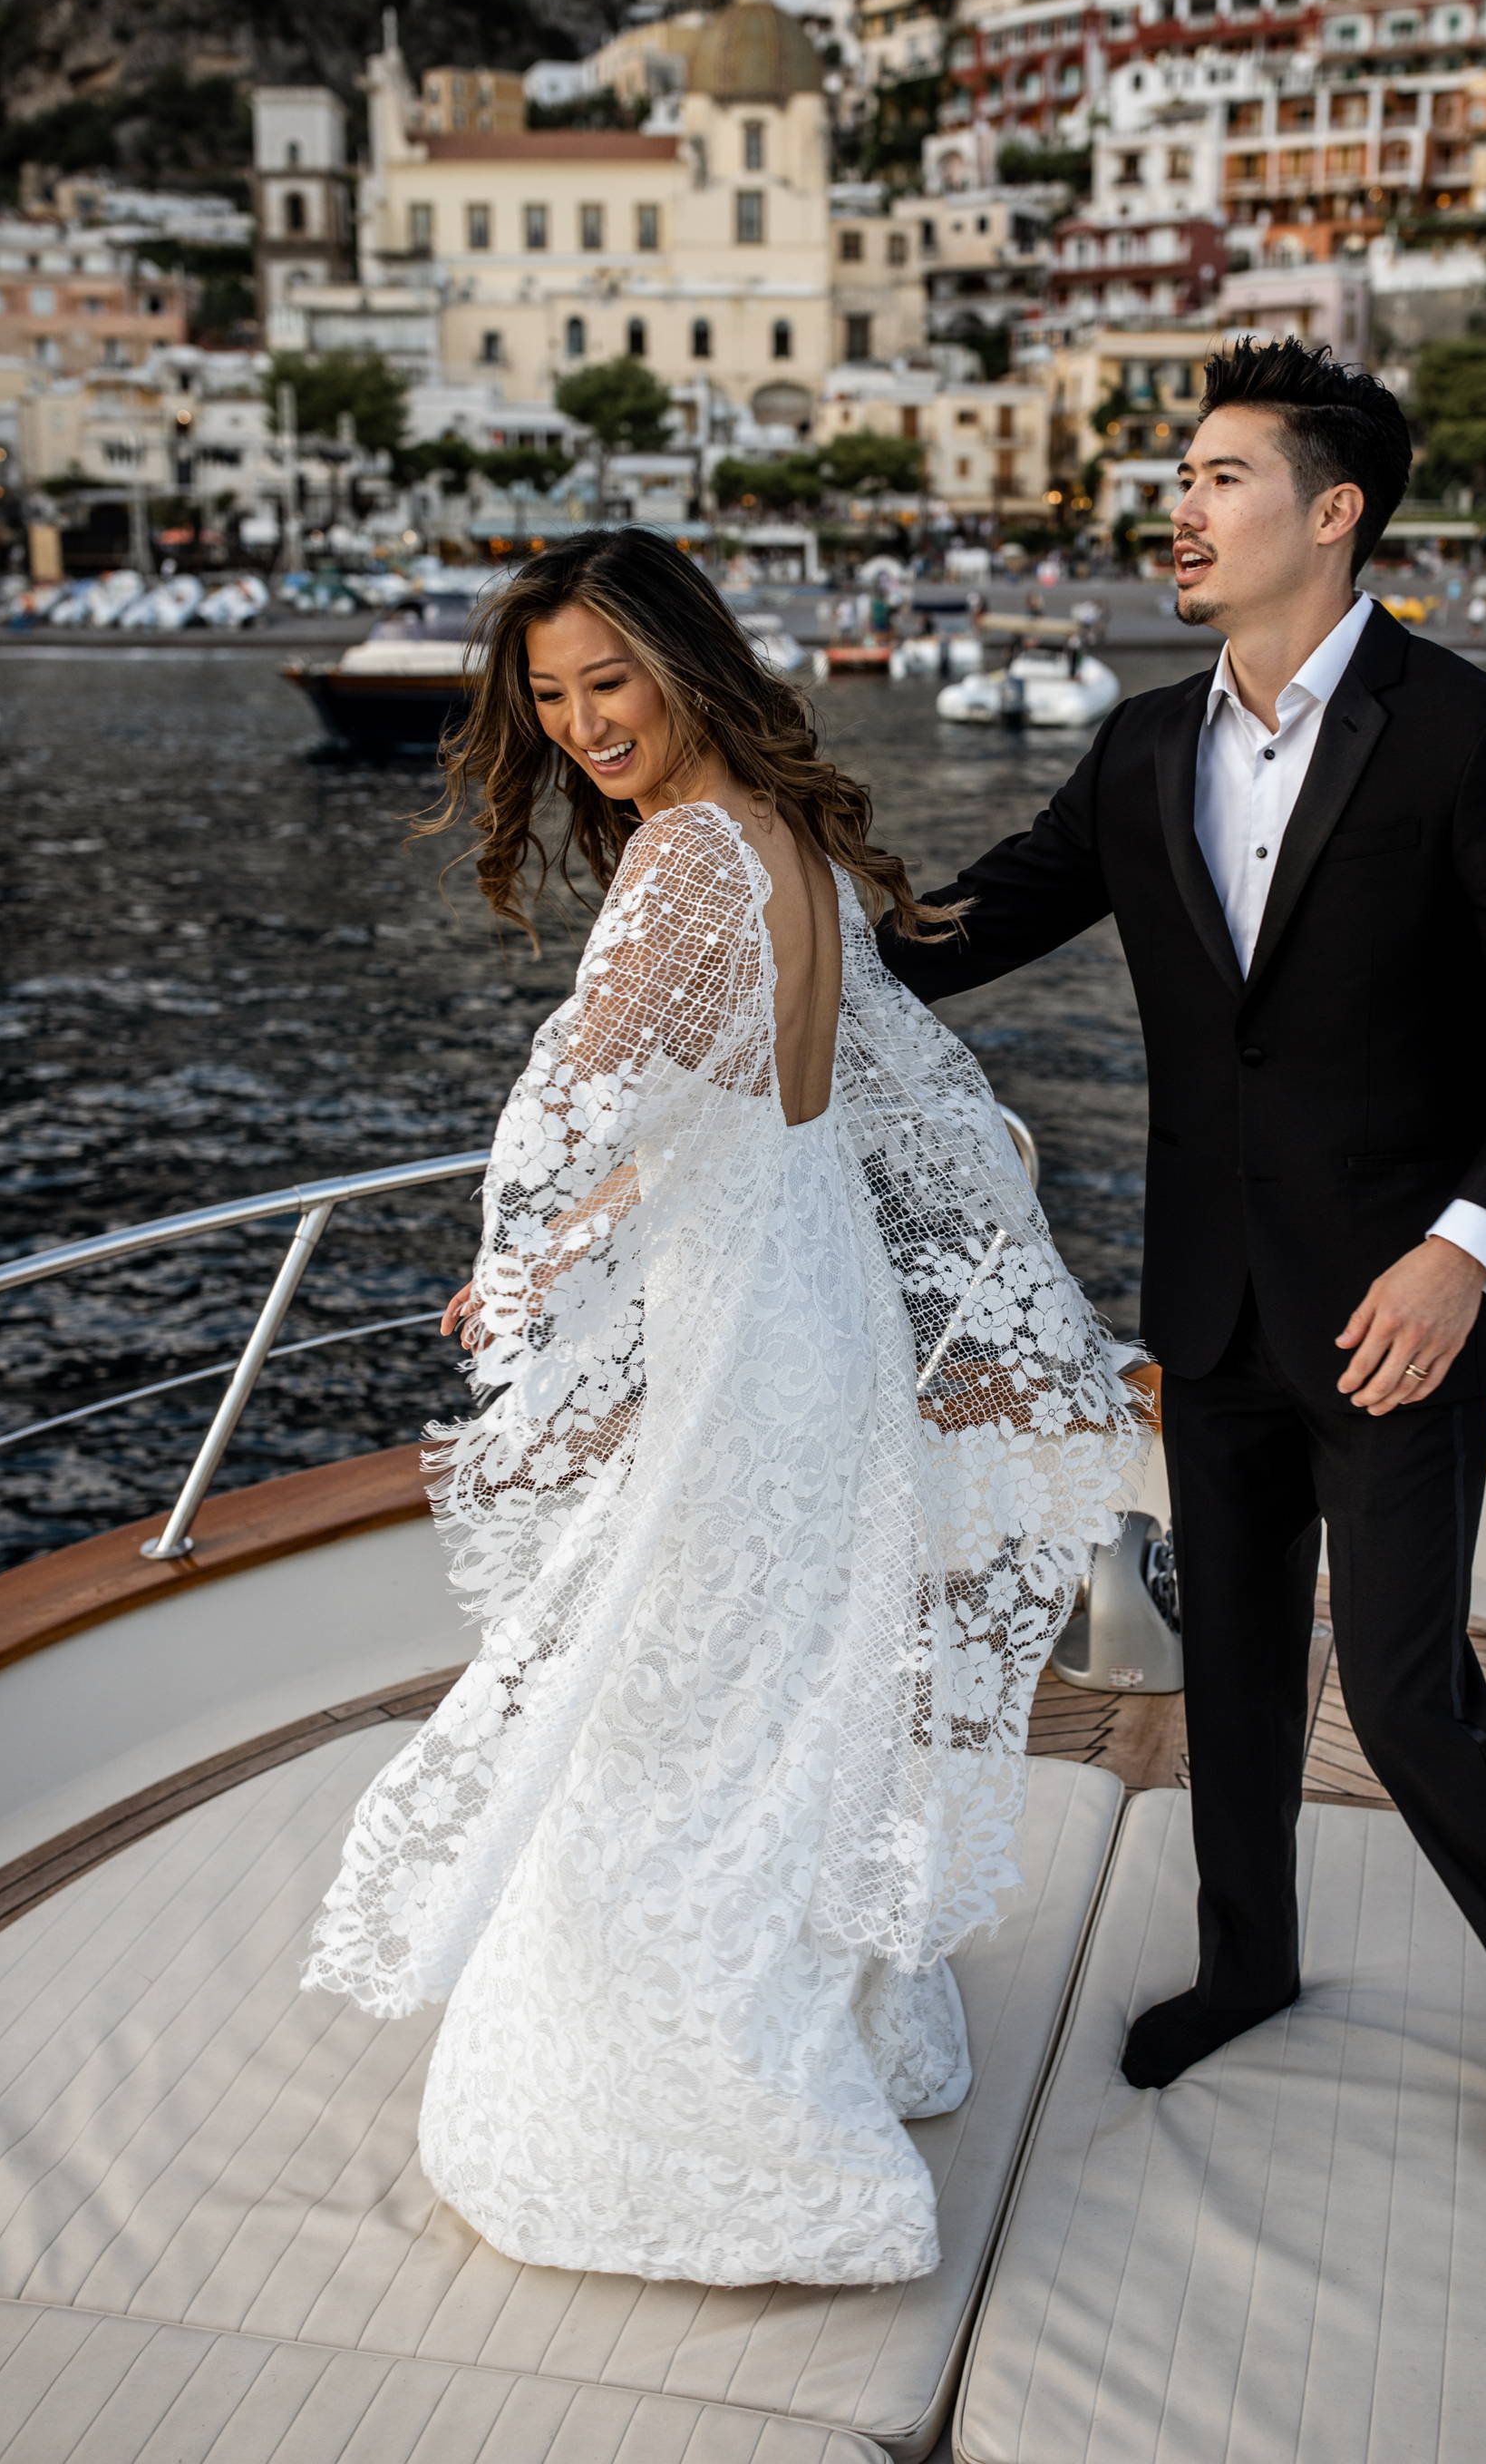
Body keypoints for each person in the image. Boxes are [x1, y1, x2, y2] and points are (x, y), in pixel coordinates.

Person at [299, 527, 1141, 2284]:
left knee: (673, 1717)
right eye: (548, 697)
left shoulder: (685, 863)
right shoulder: (796, 841)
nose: (583, 723)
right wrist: (579, 1236)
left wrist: (526, 1260)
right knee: (783, 1689)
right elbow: (757, 1107)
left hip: (741, 1333)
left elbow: (571, 1110)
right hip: (805, 1306)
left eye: (609, 681)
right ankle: (831, 2031)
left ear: (686, 660)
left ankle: (720, 2132)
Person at [878, 336, 1486, 2164]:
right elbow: (963, 928)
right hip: (1206, 1298)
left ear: (1333, 509)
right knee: (1224, 1662)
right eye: (1185, 477)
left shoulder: (1472, 731)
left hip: (1397, 1313)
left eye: (1222, 475)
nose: (1183, 506)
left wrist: (1467, 1252)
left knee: (1396, 1684)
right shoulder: (1142, 745)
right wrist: (767, 882)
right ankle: (1247, 1965)